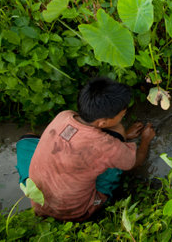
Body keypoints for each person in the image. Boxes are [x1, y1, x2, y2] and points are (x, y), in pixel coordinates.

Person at [15, 77, 155, 221]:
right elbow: (136, 162)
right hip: (75, 210)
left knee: (27, 139)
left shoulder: (65, 115)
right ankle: (90, 207)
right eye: (122, 115)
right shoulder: (106, 145)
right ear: (102, 122)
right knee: (116, 157)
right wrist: (145, 140)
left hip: (39, 200)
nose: (123, 116)